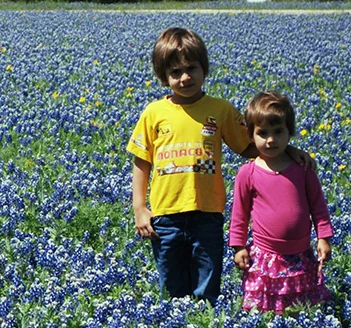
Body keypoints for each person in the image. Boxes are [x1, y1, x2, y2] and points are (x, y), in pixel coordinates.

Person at [126, 27, 311, 302]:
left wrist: (288, 150)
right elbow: (142, 162)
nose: (185, 77)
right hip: (165, 215)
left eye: (191, 68)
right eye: (175, 72)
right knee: (171, 283)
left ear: (204, 69)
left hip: (208, 213)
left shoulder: (221, 109)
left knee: (207, 281)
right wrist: (140, 208)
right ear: (163, 77)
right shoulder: (154, 113)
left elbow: (249, 145)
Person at [229, 91, 333, 314]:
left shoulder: (303, 169)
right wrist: (238, 247)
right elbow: (239, 214)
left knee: (301, 301)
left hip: (300, 252)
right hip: (265, 254)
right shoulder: (247, 173)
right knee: (265, 305)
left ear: (290, 133)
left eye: (278, 132)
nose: (271, 139)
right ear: (250, 135)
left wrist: (323, 237)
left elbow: (319, 207)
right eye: (262, 133)